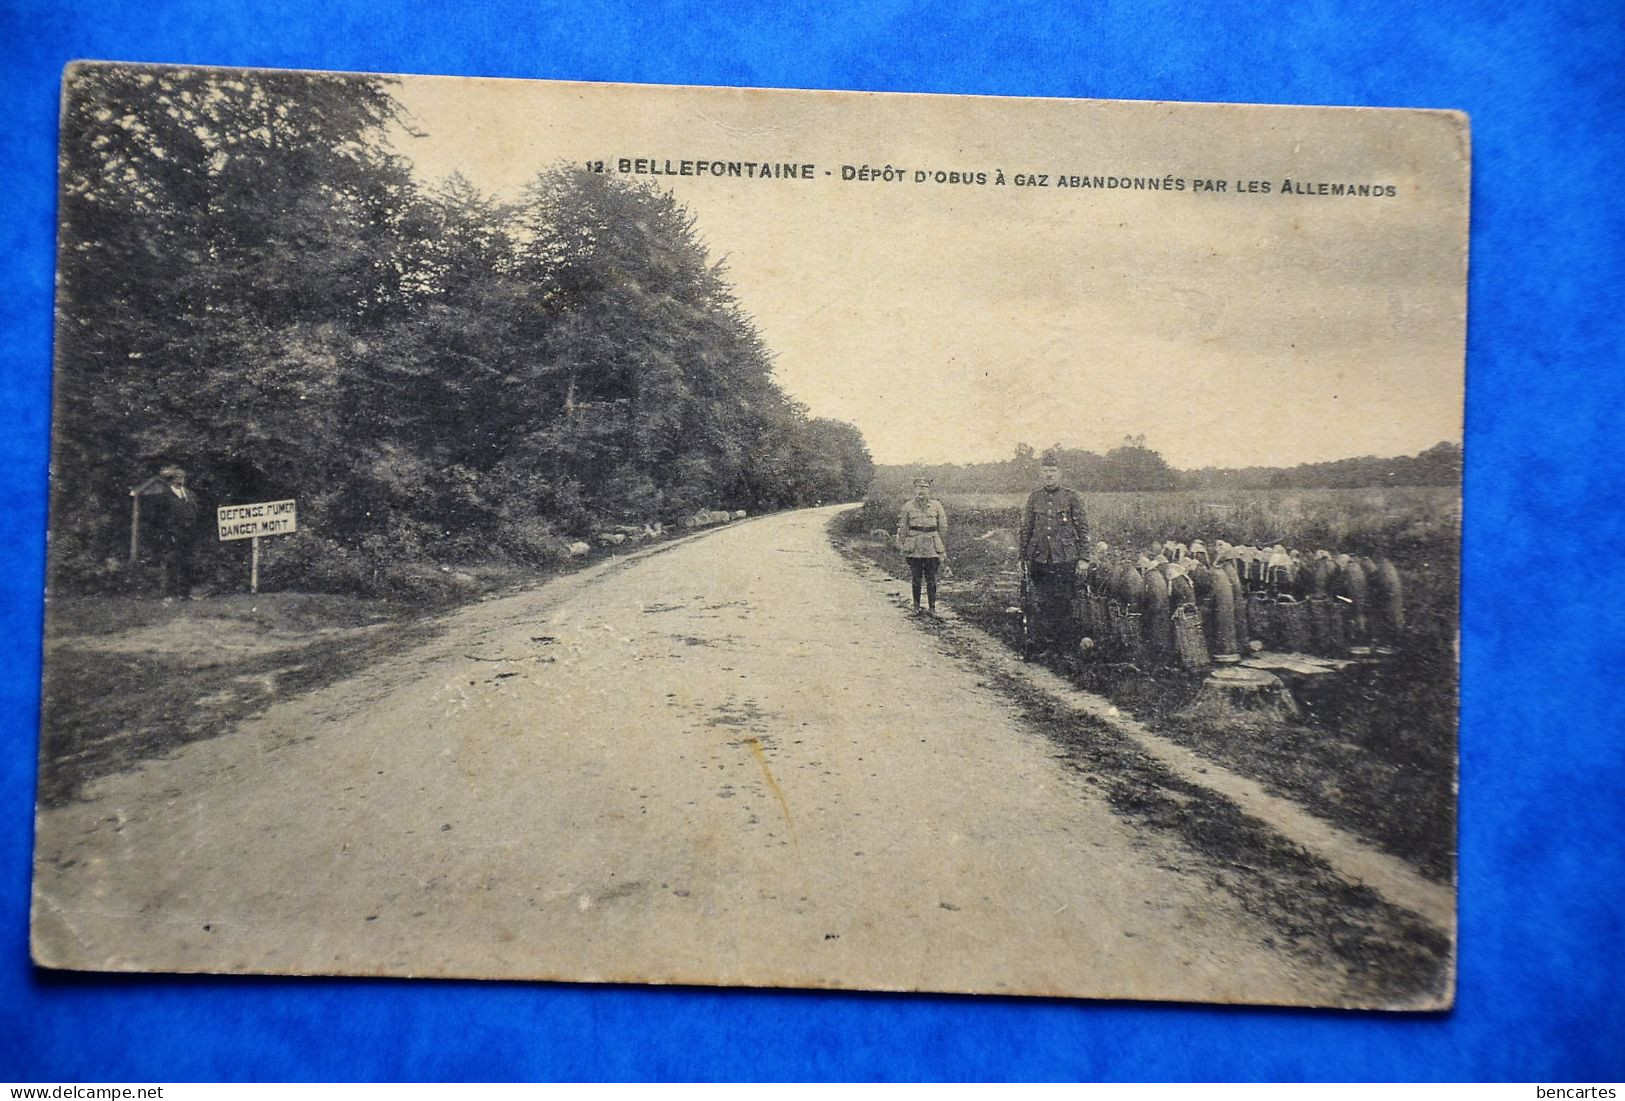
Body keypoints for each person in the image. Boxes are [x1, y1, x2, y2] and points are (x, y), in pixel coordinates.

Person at [1018, 454, 1089, 653]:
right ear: (1041, 474)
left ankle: (1062, 645)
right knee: (1041, 599)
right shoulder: (1035, 497)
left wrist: (1084, 558)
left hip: (1064, 558)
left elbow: (1082, 528)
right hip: (1039, 557)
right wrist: (1021, 557)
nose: (1049, 475)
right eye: (1046, 471)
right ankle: (1043, 643)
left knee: (1063, 600)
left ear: (1060, 474)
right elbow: (1026, 529)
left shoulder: (1071, 497)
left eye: (1053, 471)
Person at [895, 476, 948, 615]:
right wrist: (902, 546)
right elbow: (903, 527)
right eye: (919, 487)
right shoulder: (908, 506)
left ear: (929, 490)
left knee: (931, 579)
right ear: (914, 489)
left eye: (924, 488)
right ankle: (916, 606)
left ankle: (932, 608)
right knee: (916, 578)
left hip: (932, 546)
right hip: (914, 547)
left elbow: (943, 527)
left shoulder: (937, 506)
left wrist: (940, 545)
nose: (921, 490)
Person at [150, 464, 201, 599]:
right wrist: (168, 533)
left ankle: (185, 593)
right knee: (173, 563)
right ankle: (171, 593)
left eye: (183, 477)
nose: (181, 479)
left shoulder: (190, 495)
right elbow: (158, 518)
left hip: (189, 534)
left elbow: (197, 512)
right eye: (178, 477)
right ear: (172, 479)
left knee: (188, 563)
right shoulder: (165, 496)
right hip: (173, 535)